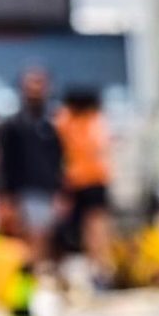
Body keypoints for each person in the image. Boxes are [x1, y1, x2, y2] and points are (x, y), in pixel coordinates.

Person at [0, 70, 64, 268]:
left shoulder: (51, 125)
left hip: (46, 191)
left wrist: (60, 190)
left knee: (43, 239)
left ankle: (39, 281)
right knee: (28, 241)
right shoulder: (13, 125)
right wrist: (6, 196)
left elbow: (58, 160)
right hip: (22, 192)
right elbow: (5, 162)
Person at [55, 87, 114, 286]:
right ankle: (97, 269)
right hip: (87, 180)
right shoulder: (92, 120)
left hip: (83, 181)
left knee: (93, 228)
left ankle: (99, 269)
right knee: (91, 228)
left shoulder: (67, 120)